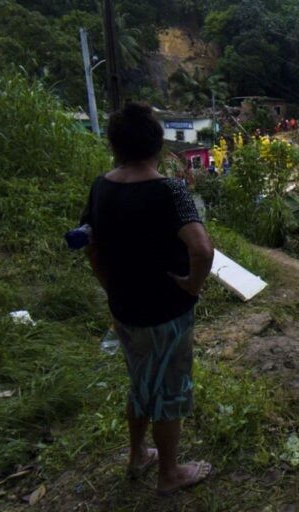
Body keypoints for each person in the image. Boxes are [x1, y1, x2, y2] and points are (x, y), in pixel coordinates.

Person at [80, 102, 214, 497]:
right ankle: (169, 473)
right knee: (169, 389)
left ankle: (138, 455)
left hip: (124, 307)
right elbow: (202, 250)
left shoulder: (100, 186)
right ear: (157, 144)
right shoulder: (170, 191)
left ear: (114, 145)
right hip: (165, 312)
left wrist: (106, 281)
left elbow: (88, 241)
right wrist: (192, 285)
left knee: (140, 381)